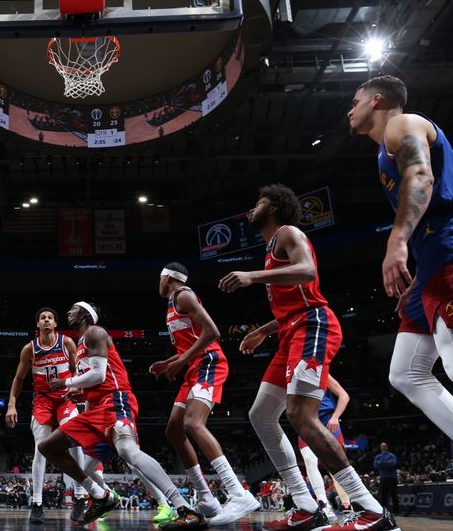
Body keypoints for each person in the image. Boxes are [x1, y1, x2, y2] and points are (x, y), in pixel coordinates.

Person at [220, 184, 399, 531]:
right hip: (290, 331)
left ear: (273, 208)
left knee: (301, 415)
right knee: (260, 415)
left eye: (259, 202)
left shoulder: (288, 233)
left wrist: (253, 277)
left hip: (313, 326)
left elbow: (307, 272)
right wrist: (263, 331)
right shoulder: (271, 248)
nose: (252, 209)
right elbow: (291, 307)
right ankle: (305, 505)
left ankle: (372, 509)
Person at [348, 75, 453, 440]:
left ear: (376, 100)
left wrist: (397, 240)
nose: (350, 109)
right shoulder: (384, 149)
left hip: (448, 247)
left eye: (355, 101)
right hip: (431, 262)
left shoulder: (402, 124)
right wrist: (420, 275)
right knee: (406, 374)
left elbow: (421, 177)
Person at [38, 302, 204, 528]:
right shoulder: (80, 346)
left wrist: (65, 382)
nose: (68, 311)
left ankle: (183, 507)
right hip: (95, 408)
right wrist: (82, 394)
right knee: (50, 448)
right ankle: (101, 496)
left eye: (74, 308)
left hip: (115, 401)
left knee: (128, 453)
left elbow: (98, 375)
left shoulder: (96, 332)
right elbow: (93, 382)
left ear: (85, 314)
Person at [151, 262, 260, 525]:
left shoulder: (183, 295)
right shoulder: (172, 303)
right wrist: (170, 362)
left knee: (192, 423)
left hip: (210, 362)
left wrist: (181, 361)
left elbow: (213, 332)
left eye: (160, 277)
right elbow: (192, 341)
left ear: (168, 278)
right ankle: (206, 498)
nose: (158, 282)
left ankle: (238, 492)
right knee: (173, 430)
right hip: (194, 367)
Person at [5, 307, 92, 523]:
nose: (46, 320)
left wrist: (79, 389)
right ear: (38, 325)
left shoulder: (66, 343)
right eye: (42, 318)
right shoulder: (29, 349)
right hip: (43, 400)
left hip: (65, 398)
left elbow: (77, 370)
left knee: (75, 444)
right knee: (40, 449)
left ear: (55, 324)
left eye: (50, 318)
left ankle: (79, 497)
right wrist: (11, 405)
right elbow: (18, 379)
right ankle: (37, 503)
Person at [298, 375, 351, 519]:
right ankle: (322, 503)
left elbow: (344, 395)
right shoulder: (291, 374)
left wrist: (335, 416)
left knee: (336, 464)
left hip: (327, 419)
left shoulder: (322, 372)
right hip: (305, 420)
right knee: (309, 459)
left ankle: (347, 505)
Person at [374, 443, 399, 515]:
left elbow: (393, 464)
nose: (383, 447)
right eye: (381, 446)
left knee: (393, 495)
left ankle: (396, 511)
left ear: (387, 447)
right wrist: (386, 463)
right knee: (382, 496)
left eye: (384, 446)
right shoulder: (378, 456)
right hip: (383, 478)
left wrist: (381, 463)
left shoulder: (392, 456)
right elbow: (375, 466)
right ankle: (383, 512)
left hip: (392, 477)